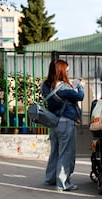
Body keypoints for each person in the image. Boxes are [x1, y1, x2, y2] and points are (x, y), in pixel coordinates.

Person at [41, 59, 84, 191]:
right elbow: (80, 96)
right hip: (66, 123)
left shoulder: (45, 85)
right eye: (66, 70)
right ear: (61, 71)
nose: (67, 72)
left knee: (54, 152)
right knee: (66, 153)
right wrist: (79, 85)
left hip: (53, 122)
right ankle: (63, 183)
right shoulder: (64, 87)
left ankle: (50, 179)